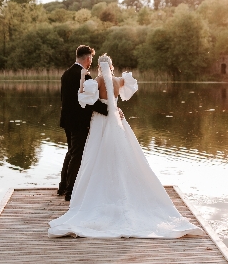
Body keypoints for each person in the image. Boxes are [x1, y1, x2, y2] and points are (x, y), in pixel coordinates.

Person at [49, 54, 204, 238]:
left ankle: (98, 192)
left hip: (101, 121)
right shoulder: (119, 80)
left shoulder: (97, 81)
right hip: (116, 120)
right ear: (112, 66)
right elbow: (129, 88)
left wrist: (83, 82)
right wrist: (115, 108)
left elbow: (84, 98)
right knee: (122, 154)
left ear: (100, 66)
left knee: (97, 154)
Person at [58, 45, 109, 201]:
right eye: (91, 59)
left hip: (67, 120)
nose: (91, 62)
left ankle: (63, 187)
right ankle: (70, 191)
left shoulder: (66, 74)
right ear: (87, 58)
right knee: (77, 155)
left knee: (70, 152)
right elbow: (91, 102)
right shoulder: (84, 76)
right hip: (78, 122)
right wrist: (109, 110)